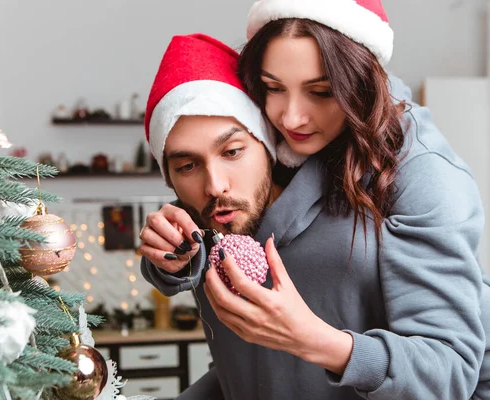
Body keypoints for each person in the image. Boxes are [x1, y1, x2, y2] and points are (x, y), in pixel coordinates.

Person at [140, 3, 490, 398]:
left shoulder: (425, 172)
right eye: (273, 88)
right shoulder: (273, 151)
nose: (291, 118)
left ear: (361, 81)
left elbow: (450, 372)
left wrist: (311, 339)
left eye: (321, 91)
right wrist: (168, 260)